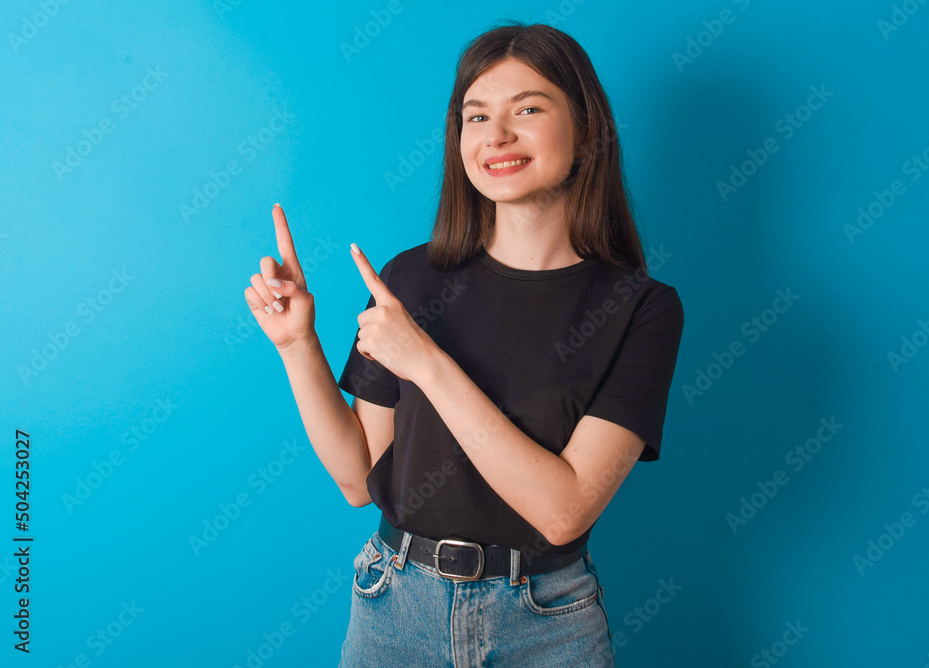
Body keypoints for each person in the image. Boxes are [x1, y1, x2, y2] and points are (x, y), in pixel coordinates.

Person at [244, 21, 684, 668]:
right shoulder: (411, 280)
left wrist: (426, 362)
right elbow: (356, 478)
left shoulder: (641, 309)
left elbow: (562, 512)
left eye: (527, 109)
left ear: (587, 130)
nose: (497, 135)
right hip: (393, 604)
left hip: (547, 621)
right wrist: (296, 343)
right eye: (476, 116)